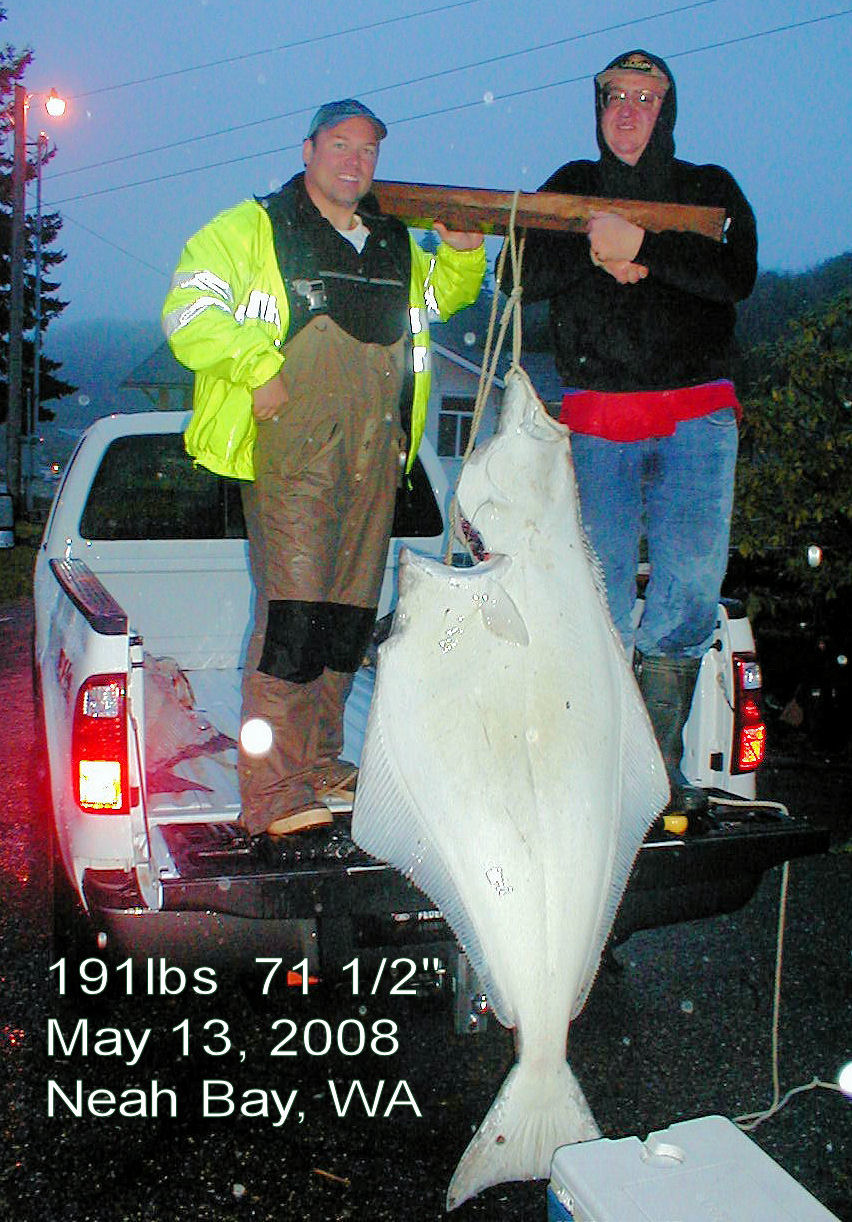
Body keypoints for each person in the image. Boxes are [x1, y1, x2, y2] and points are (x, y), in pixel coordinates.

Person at [163, 99, 485, 838]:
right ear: (308, 149)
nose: (354, 160)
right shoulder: (254, 226)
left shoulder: (393, 241)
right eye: (340, 144)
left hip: (375, 453)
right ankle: (272, 790)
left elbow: (437, 300)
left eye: (368, 149)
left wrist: (464, 253)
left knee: (347, 620)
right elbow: (188, 309)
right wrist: (254, 365)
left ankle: (318, 762)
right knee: (293, 619)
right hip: (294, 454)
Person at [515, 50, 757, 815]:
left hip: (698, 424)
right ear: (598, 108)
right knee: (600, 600)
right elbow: (519, 276)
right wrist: (598, 248)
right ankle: (594, 767)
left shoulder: (709, 187)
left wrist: (646, 249)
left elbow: (735, 276)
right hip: (600, 424)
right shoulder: (566, 184)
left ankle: (656, 768)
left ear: (667, 110)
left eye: (645, 98)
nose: (628, 111)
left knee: (687, 596)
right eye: (615, 96)